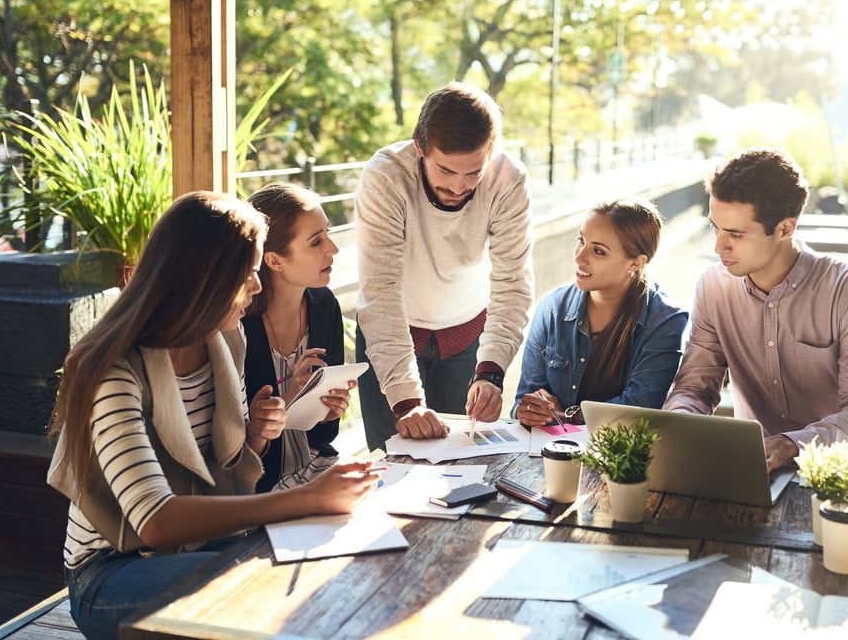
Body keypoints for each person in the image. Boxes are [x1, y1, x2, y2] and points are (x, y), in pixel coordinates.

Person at [46, 191, 380, 640]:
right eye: (247, 274)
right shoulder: (113, 372)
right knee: (270, 589)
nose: (258, 285)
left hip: (207, 545)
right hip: (112, 571)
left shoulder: (224, 344)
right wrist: (307, 499)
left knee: (335, 565)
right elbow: (156, 522)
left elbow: (225, 466)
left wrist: (259, 438)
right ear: (203, 279)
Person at [662, 147, 848, 471]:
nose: (718, 246)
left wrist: (789, 446)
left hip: (836, 474)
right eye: (715, 227)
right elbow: (694, 388)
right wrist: (680, 426)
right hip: (748, 471)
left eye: (735, 234)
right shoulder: (713, 287)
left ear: (785, 229)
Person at [354, 81, 534, 451]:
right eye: (447, 171)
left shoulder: (509, 180)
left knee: (458, 464)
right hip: (392, 332)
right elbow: (380, 291)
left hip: (467, 336)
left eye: (473, 173)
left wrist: (491, 372)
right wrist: (406, 401)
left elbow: (512, 283)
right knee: (391, 464)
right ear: (420, 147)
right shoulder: (386, 175)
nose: (459, 186)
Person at [513, 197, 688, 426]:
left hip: (620, 455)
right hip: (548, 450)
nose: (579, 257)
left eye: (598, 251)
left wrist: (568, 415)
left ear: (635, 263)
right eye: (581, 241)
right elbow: (523, 399)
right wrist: (528, 410)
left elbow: (640, 408)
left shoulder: (665, 321)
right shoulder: (552, 308)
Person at [242, 182, 355, 492]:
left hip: (317, 470)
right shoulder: (238, 325)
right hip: (258, 490)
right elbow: (236, 453)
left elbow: (324, 436)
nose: (333, 248)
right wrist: (289, 397)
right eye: (316, 241)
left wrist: (327, 411)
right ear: (275, 260)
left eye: (327, 234)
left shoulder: (323, 305)